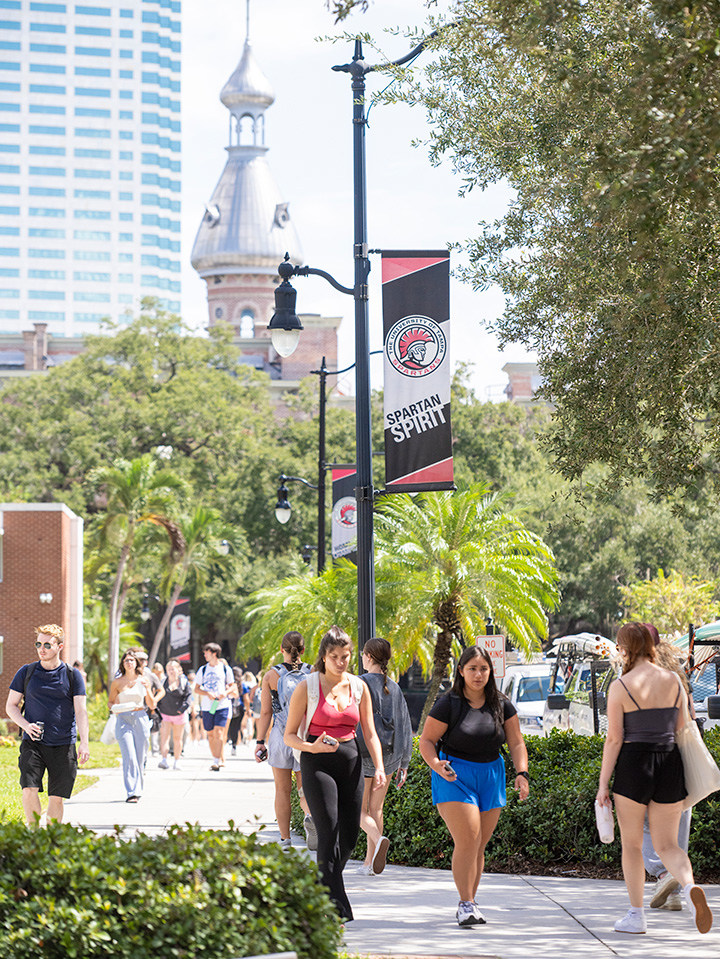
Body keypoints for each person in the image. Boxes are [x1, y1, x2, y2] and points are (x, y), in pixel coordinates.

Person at [596, 622, 713, 935]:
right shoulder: (674, 681)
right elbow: (682, 728)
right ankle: (689, 889)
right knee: (668, 845)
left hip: (635, 763)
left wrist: (603, 783)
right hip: (669, 761)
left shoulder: (621, 686)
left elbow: (614, 739)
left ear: (625, 649)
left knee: (632, 845)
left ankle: (636, 916)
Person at [419, 645, 529, 927]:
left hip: (491, 774)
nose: (478, 674)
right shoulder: (449, 703)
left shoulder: (502, 704)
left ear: (491, 671)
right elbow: (426, 740)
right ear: (461, 671)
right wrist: (436, 764)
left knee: (478, 845)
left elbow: (516, 742)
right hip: (454, 774)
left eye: (483, 669)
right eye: (472, 669)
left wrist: (522, 773)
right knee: (468, 838)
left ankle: (471, 902)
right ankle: (465, 904)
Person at [284, 625, 386, 923]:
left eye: (346, 656)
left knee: (351, 836)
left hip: (351, 759)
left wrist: (379, 767)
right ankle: (336, 907)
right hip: (317, 763)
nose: (341, 662)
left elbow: (370, 732)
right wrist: (311, 748)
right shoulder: (308, 687)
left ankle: (320, 886)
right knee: (328, 832)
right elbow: (290, 735)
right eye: (335, 656)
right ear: (323, 657)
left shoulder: (358, 687)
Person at [5, 624, 89, 826]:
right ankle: (33, 834)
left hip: (63, 743)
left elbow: (80, 710)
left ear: (60, 647)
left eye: (47, 645)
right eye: (38, 644)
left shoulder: (72, 675)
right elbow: (11, 706)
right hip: (33, 743)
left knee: (56, 796)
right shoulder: (27, 672)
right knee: (29, 788)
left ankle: (51, 837)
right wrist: (25, 725)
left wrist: (84, 742)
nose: (41, 649)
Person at [642, 638, 695, 914]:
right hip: (679, 758)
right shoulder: (679, 680)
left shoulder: (636, 679)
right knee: (679, 819)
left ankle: (663, 875)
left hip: (646, 756)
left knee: (645, 821)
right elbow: (689, 721)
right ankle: (677, 884)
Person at [355, 637, 413, 876]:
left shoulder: (358, 683)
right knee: (376, 809)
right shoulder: (395, 687)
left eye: (362, 654)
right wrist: (404, 762)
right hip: (388, 756)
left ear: (369, 656)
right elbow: (405, 725)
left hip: (361, 753)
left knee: (357, 810)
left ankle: (378, 841)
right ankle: (369, 864)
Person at [254, 631, 315, 850]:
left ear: (282, 650)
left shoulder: (271, 676)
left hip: (280, 734)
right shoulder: (313, 672)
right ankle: (309, 816)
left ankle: (285, 839)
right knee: (305, 788)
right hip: (304, 736)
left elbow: (266, 712)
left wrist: (260, 741)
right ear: (303, 650)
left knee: (282, 790)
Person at [109, 648, 160, 802]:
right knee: (129, 756)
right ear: (123, 664)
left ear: (136, 663)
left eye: (132, 660)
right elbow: (110, 702)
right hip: (123, 719)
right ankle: (132, 792)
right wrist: (115, 708)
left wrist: (147, 688)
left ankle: (139, 786)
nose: (129, 662)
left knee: (140, 756)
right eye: (126, 660)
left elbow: (151, 705)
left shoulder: (143, 679)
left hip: (140, 717)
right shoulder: (117, 682)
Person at [194, 643, 237, 771]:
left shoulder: (225, 669)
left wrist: (225, 693)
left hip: (222, 705)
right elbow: (196, 689)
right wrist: (207, 693)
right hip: (208, 706)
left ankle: (216, 761)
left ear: (214, 653)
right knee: (211, 734)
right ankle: (215, 757)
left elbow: (233, 686)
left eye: (206, 652)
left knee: (219, 733)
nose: (204, 655)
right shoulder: (203, 669)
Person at [157, 659, 193, 770]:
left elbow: (188, 697)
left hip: (179, 715)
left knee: (178, 738)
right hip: (165, 714)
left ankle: (177, 761)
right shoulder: (162, 682)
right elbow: (157, 695)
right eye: (169, 669)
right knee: (165, 737)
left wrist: (182, 709)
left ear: (178, 670)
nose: (171, 671)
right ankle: (164, 760)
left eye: (173, 669)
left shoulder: (183, 682)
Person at [227, 666, 245, 755]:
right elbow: (246, 698)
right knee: (236, 727)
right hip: (239, 707)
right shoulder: (243, 685)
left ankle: (229, 740)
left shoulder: (229, 685)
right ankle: (234, 745)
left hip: (229, 706)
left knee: (229, 726)